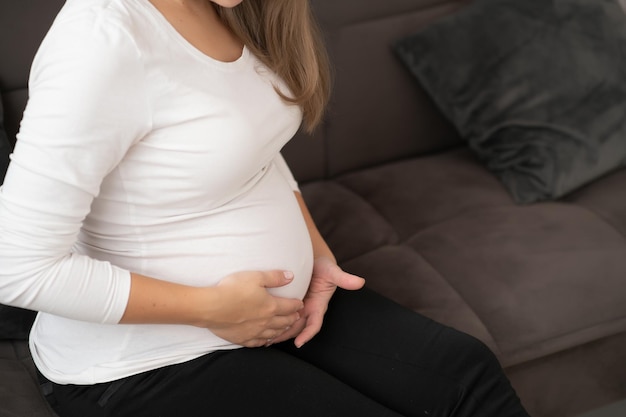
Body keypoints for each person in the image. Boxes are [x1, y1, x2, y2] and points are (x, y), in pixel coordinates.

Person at [0, 0, 531, 416]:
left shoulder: (232, 9)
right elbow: (15, 269)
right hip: (140, 360)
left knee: (465, 374)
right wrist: (212, 310)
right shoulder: (102, 40)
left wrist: (317, 259)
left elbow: (255, 149)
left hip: (271, 314)